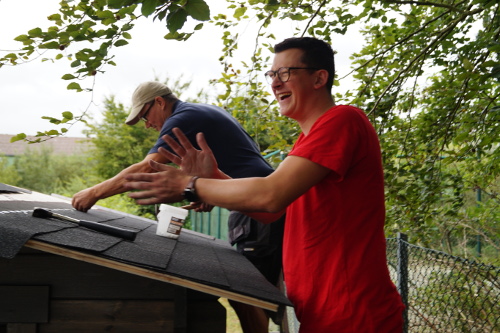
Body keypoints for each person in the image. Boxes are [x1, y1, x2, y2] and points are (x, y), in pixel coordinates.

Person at [124, 37, 405, 332]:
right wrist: (214, 178)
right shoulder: (306, 142)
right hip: (323, 312)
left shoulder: (342, 120)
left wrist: (191, 185)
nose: (275, 83)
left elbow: (270, 196)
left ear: (319, 77)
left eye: (286, 73)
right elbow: (274, 211)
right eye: (272, 75)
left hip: (355, 313)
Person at [71, 81, 284, 333]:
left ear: (160, 102)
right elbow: (235, 159)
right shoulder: (202, 111)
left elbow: (146, 168)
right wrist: (212, 193)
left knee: (246, 293)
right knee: (248, 294)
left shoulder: (183, 118)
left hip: (256, 203)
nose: (147, 124)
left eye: (145, 116)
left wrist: (94, 192)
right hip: (249, 197)